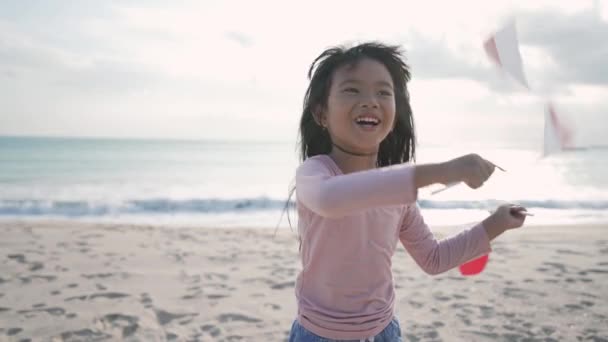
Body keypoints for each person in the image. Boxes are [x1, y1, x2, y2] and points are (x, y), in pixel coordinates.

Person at [287, 42, 528, 341]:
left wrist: (497, 223)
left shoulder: (397, 195)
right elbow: (332, 199)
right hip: (319, 334)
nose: (370, 101)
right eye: (352, 90)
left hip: (384, 331)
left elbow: (434, 258)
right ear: (321, 113)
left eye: (383, 92)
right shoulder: (316, 174)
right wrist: (443, 171)